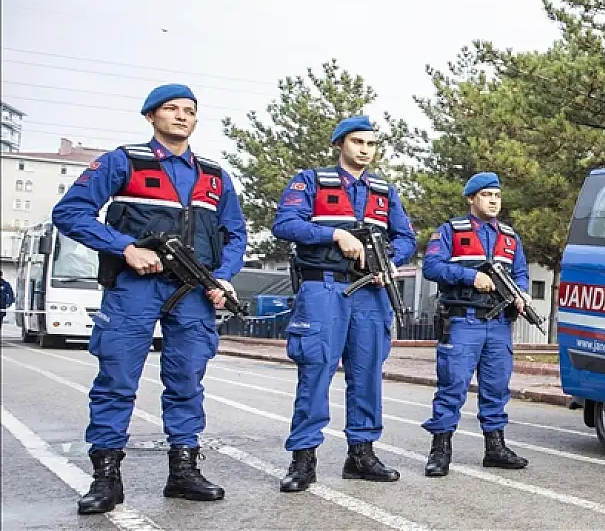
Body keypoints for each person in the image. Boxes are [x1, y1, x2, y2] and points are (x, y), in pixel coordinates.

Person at [50, 84, 247, 515]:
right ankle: (106, 477)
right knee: (117, 379)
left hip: (193, 291)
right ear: (150, 116)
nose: (181, 116)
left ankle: (183, 471)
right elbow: (70, 212)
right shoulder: (124, 161)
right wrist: (125, 248)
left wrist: (224, 277)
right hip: (134, 287)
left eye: (189, 110)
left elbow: (235, 233)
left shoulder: (215, 175)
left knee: (187, 380)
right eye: (171, 109)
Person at [272, 115, 417, 493]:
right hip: (325, 288)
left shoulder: (384, 191)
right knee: (316, 370)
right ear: (340, 144)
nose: (364, 150)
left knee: (367, 373)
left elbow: (406, 237)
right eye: (357, 142)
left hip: (371, 291)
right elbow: (285, 224)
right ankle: (303, 458)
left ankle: (362, 454)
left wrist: (390, 261)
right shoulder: (311, 181)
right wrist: (334, 234)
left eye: (370, 143)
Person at [420, 171, 529, 477]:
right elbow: (431, 267)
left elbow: (520, 272)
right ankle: (440, 450)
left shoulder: (510, 237)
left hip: (499, 323)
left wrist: (521, 293)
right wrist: (470, 276)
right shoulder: (451, 231)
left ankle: (495, 448)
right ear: (471, 198)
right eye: (486, 195)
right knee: (452, 385)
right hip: (463, 320)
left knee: (496, 386)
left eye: (497, 195)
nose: (493, 201)